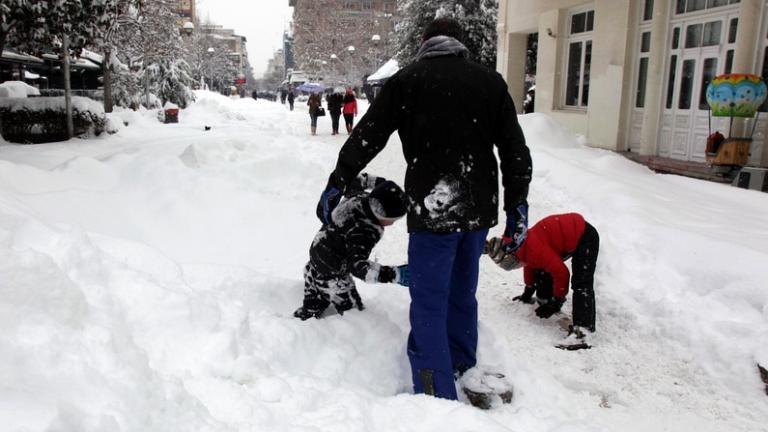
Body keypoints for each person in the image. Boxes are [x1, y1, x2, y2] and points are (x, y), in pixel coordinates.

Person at [315, 18, 532, 401]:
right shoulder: (490, 82)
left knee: (431, 297)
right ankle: (464, 365)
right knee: (463, 292)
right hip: (477, 209)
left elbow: (369, 135)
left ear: (424, 42)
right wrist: (518, 205)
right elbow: (515, 150)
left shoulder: (408, 81)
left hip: (434, 207)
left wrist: (339, 179)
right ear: (461, 45)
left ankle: (434, 388)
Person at [295, 173, 409, 320]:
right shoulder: (364, 232)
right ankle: (342, 333)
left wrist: (381, 184)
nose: (393, 223)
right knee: (353, 313)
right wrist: (393, 274)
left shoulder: (357, 197)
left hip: (318, 254)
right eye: (392, 220)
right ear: (381, 215)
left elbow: (358, 179)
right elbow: (358, 266)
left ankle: (307, 316)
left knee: (315, 292)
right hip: (333, 272)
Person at [485, 213, 600, 349]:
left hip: (584, 236)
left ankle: (583, 333)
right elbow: (530, 264)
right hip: (566, 234)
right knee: (542, 271)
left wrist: (558, 300)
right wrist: (528, 290)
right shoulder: (519, 244)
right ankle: (546, 299)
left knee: (581, 283)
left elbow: (561, 272)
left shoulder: (533, 248)